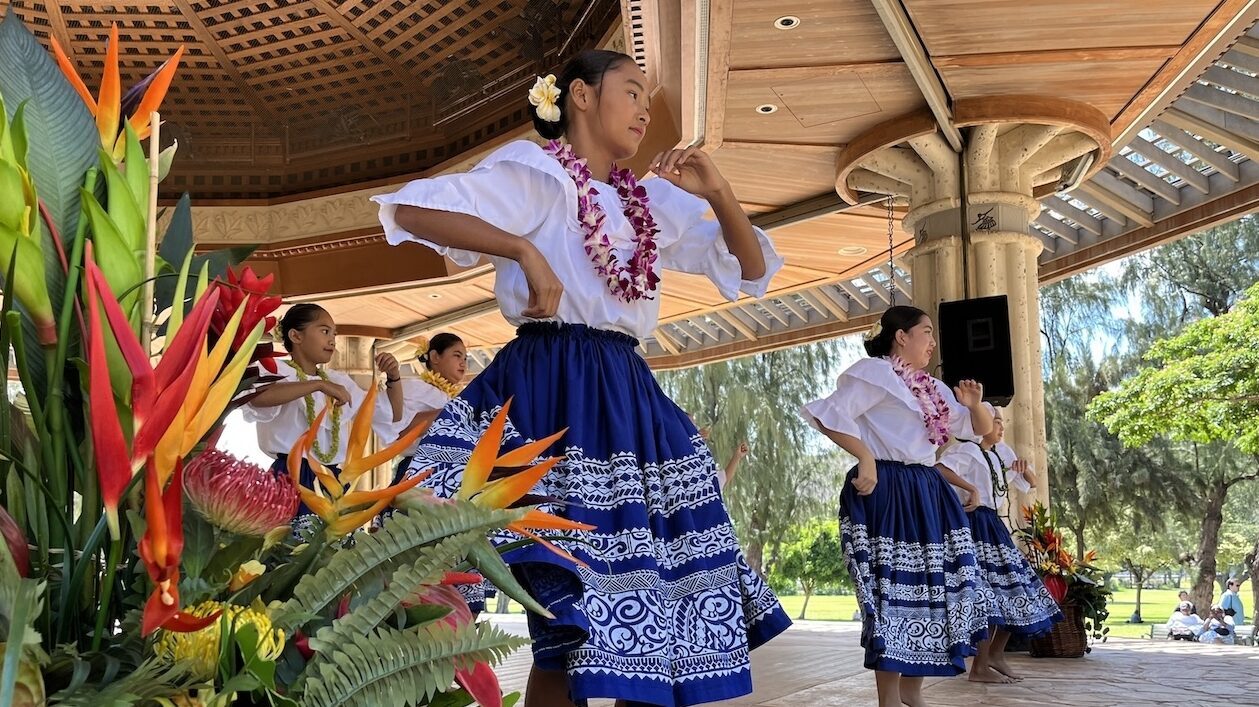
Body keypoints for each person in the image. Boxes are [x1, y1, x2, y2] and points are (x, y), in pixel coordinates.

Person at [371, 50, 790, 707]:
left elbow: (747, 266)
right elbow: (412, 211)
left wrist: (717, 191)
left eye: (647, 96)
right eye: (630, 90)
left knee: (645, 611)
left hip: (625, 395)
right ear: (580, 96)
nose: (644, 107)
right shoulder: (538, 175)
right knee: (564, 624)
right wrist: (522, 246)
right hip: (549, 387)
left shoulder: (648, 202)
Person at [802, 305, 993, 707]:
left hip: (927, 489)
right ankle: (889, 698)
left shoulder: (934, 389)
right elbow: (829, 415)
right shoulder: (877, 374)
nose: (933, 342)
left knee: (931, 591)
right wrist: (865, 456)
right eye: (926, 332)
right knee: (892, 593)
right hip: (889, 487)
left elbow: (977, 429)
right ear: (901, 336)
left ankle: (913, 690)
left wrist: (974, 404)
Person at [936, 404, 1063, 684]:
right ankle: (979, 666)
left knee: (1015, 587)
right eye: (995, 421)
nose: (1001, 426)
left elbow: (1029, 485)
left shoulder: (1002, 453)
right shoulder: (967, 450)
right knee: (987, 593)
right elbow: (940, 470)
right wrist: (971, 489)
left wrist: (1025, 469)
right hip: (973, 524)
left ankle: (995, 654)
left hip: (994, 524)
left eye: (1002, 421)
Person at [244, 304, 405, 522]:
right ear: (296, 336)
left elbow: (391, 414)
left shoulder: (338, 381)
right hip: (290, 477)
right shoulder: (276, 370)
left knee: (332, 551)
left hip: (332, 479)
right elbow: (259, 397)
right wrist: (317, 385)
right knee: (289, 549)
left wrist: (394, 377)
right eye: (324, 331)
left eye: (334, 334)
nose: (332, 340)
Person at [392, 332, 468, 483]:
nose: (463, 363)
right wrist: (447, 414)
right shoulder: (415, 388)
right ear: (435, 357)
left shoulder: (455, 398)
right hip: (418, 468)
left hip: (451, 471)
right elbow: (399, 430)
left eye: (466, 358)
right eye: (457, 355)